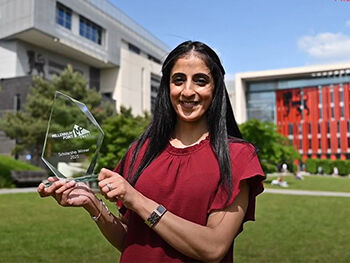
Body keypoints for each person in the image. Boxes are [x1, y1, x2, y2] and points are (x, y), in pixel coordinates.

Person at [38, 41, 265, 263]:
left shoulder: (237, 156)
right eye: (178, 80)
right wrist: (92, 203)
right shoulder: (141, 150)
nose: (187, 91)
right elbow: (131, 238)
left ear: (216, 88)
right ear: (167, 87)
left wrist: (137, 200)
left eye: (200, 81)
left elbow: (213, 248)